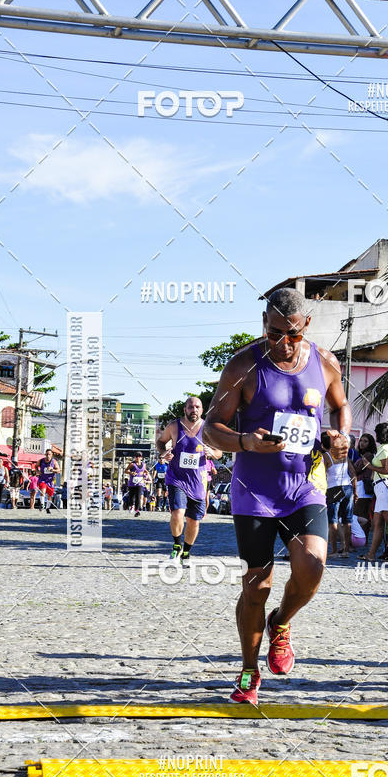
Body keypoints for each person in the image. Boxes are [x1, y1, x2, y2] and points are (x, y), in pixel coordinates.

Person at [203, 287, 351, 706]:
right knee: (257, 584)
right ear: (263, 325)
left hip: (304, 485)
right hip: (255, 491)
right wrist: (246, 441)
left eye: (291, 335)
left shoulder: (325, 362)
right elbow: (212, 427)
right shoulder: (243, 366)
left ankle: (281, 623)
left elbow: (341, 407)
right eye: (273, 334)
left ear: (307, 325)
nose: (282, 344)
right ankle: (249, 671)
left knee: (313, 565)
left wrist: (341, 436)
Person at [156, 397, 222, 566]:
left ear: (202, 410)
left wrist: (212, 452)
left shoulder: (207, 429)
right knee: (177, 512)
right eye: (190, 407)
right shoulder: (174, 426)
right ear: (185, 409)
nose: (194, 410)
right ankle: (177, 545)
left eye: (197, 407)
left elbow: (219, 452)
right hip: (176, 478)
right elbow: (161, 442)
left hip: (197, 482)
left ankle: (186, 552)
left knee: (193, 521)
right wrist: (164, 453)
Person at [361, 422, 388, 562]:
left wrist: (370, 467)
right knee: (378, 523)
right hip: (380, 487)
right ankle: (372, 554)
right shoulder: (384, 448)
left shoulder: (386, 449)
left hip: (383, 485)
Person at [322, 431, 356, 558]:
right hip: (347, 487)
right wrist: (355, 491)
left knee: (333, 520)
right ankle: (346, 550)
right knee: (347, 520)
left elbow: (323, 475)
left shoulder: (326, 456)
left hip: (333, 488)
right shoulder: (344, 454)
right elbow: (353, 473)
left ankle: (334, 551)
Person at [353, 433, 377, 543]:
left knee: (360, 513)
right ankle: (361, 538)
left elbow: (357, 469)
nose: (362, 443)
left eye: (365, 441)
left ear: (370, 443)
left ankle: (361, 538)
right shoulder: (362, 455)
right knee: (360, 513)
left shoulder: (368, 456)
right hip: (360, 485)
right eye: (361, 440)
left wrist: (350, 465)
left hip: (363, 486)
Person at [124, 452, 149, 517]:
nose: (138, 458)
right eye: (136, 456)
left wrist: (146, 473)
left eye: (139, 456)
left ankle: (137, 510)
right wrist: (131, 473)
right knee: (131, 496)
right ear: (135, 457)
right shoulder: (132, 464)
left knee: (138, 496)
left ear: (141, 458)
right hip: (132, 483)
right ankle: (131, 505)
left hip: (140, 483)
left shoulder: (144, 464)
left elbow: (144, 470)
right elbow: (126, 470)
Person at [36, 448, 60, 514]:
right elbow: (36, 466)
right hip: (42, 479)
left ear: (52, 455)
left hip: (50, 480)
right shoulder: (41, 461)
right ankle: (42, 504)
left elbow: (58, 471)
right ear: (45, 454)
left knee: (50, 495)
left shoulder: (54, 462)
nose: (48, 456)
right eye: (46, 454)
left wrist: (52, 470)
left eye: (49, 454)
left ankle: (48, 508)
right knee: (43, 491)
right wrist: (38, 471)